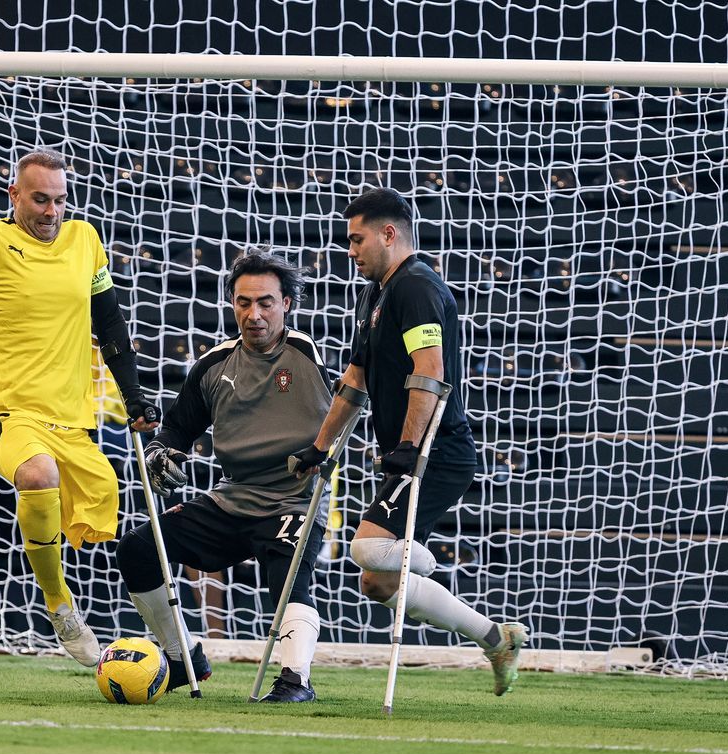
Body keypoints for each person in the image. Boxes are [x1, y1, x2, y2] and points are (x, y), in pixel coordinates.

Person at [0, 148, 160, 667]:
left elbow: (110, 324)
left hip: (73, 420)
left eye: (60, 200)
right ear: (14, 194)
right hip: (7, 412)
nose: (51, 211)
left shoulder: (85, 241)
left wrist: (132, 394)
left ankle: (174, 646)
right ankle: (59, 604)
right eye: (40, 199)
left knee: (108, 509)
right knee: (38, 475)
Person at [291, 188, 528, 696]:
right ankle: (497, 638)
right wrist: (320, 447)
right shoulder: (375, 293)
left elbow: (430, 371)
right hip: (412, 451)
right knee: (377, 581)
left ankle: (423, 558)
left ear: (388, 234)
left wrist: (408, 448)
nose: (349, 251)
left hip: (437, 452)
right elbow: (355, 380)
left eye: (357, 240)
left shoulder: (416, 287)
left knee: (370, 548)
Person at [116, 248, 332, 701]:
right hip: (232, 500)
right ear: (232, 303)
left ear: (286, 303)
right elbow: (178, 428)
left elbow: (348, 405)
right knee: (138, 548)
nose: (254, 315)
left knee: (289, 576)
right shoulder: (214, 365)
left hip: (295, 501)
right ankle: (182, 657)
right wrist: (159, 453)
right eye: (243, 302)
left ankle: (296, 680)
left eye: (266, 303)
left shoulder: (305, 354)